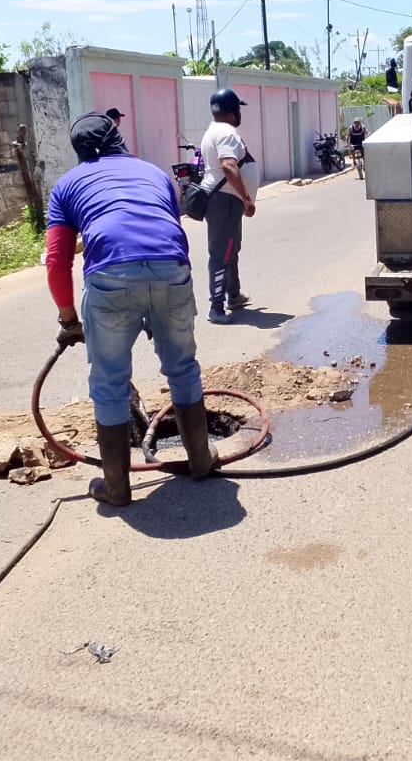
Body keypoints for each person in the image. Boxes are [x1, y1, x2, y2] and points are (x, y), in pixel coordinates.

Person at [45, 111, 218, 506]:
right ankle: (200, 460)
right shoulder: (154, 173)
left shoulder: (68, 184)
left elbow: (57, 261)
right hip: (171, 269)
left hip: (109, 278)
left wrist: (68, 318)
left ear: (79, 151)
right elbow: (167, 228)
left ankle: (116, 486)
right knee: (183, 366)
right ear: (119, 140)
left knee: (109, 382)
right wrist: (163, 297)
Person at [199, 88, 259, 324]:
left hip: (224, 200)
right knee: (222, 253)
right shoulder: (226, 132)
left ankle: (233, 295)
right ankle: (216, 307)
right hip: (225, 200)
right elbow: (228, 166)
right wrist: (246, 197)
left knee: (231, 249)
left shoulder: (215, 130)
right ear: (232, 111)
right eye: (238, 108)